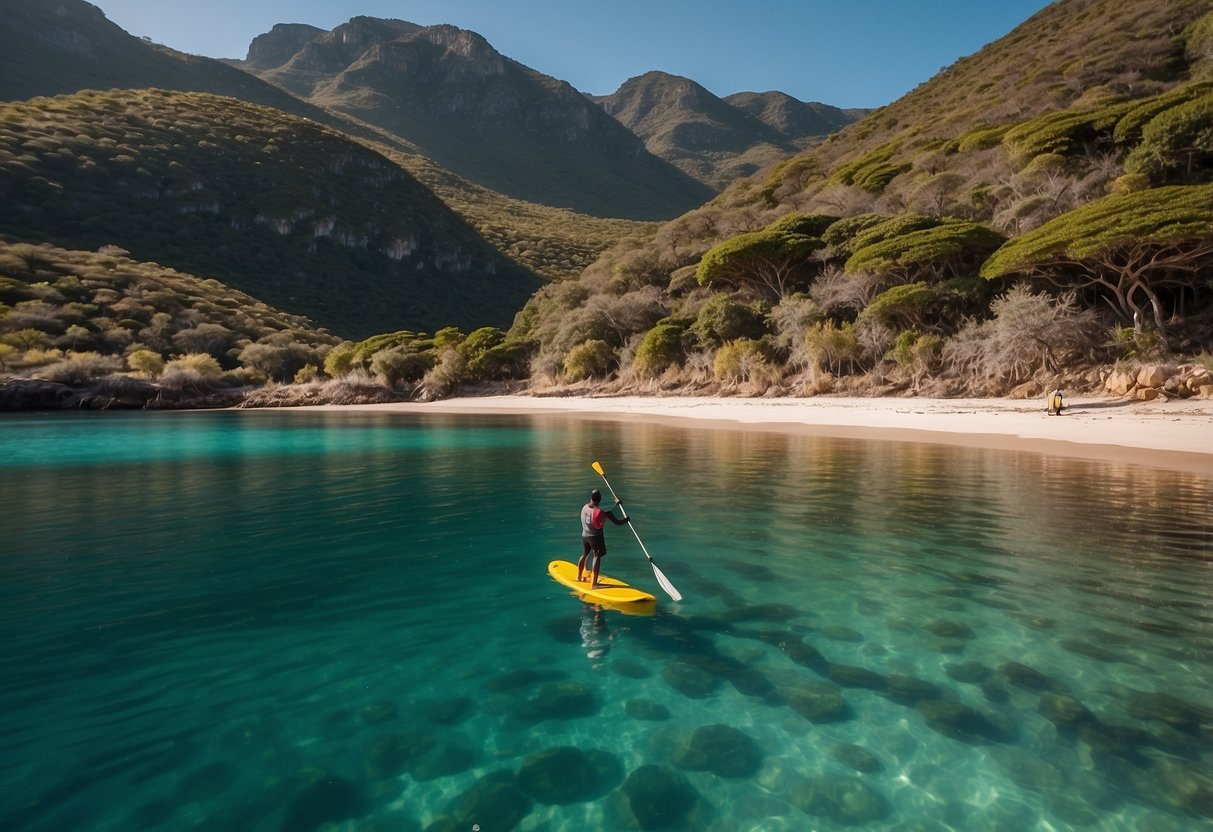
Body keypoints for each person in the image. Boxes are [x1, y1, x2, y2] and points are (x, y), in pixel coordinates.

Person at [578, 488, 630, 588]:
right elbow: (617, 522)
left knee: (585, 554)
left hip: (585, 535)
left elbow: (603, 510)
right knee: (597, 557)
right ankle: (594, 584)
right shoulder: (601, 513)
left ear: (591, 498)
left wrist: (616, 505)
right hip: (595, 538)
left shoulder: (584, 507)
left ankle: (578, 577)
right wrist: (626, 519)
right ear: (600, 500)